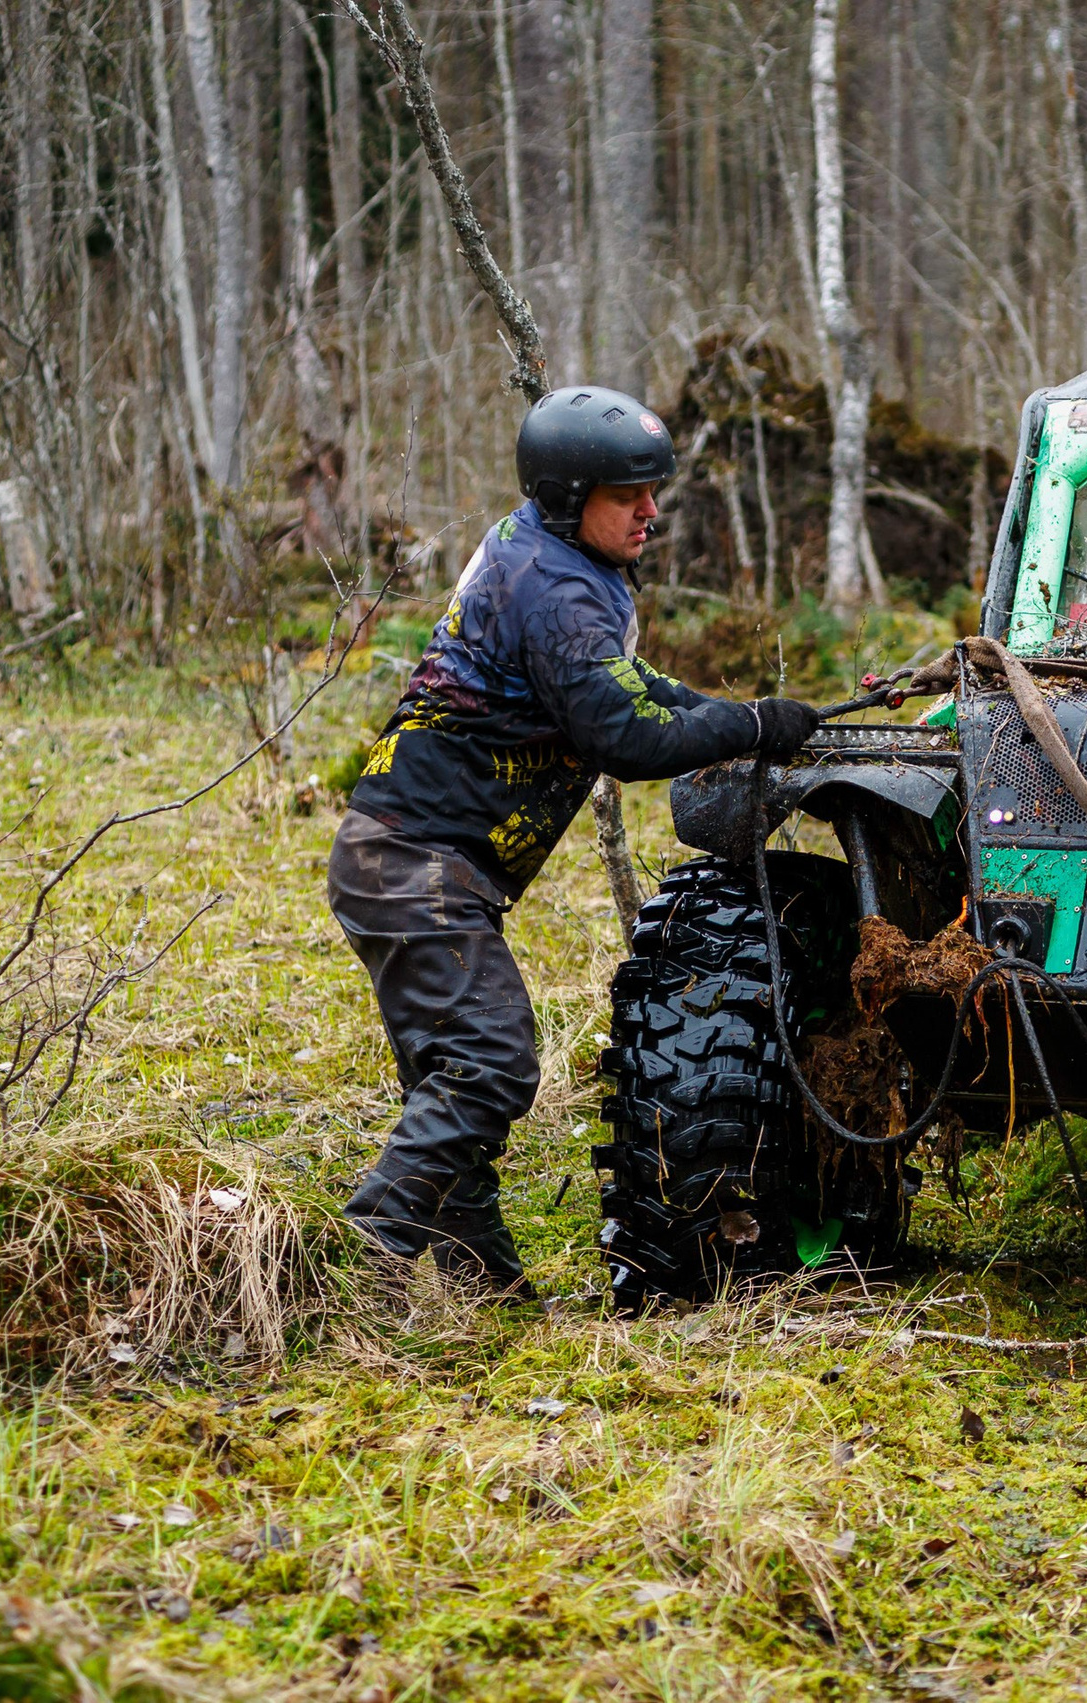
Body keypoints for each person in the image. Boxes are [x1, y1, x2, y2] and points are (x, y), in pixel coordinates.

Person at [331, 385, 821, 1300]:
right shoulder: (556, 589)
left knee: (453, 1086)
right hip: (413, 865)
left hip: (400, 857)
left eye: (653, 488)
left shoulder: (549, 554)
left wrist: (746, 719)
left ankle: (484, 1288)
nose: (652, 510)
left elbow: (630, 687)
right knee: (492, 1063)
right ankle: (368, 1252)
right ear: (567, 495)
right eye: (628, 492)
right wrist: (751, 724)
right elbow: (626, 737)